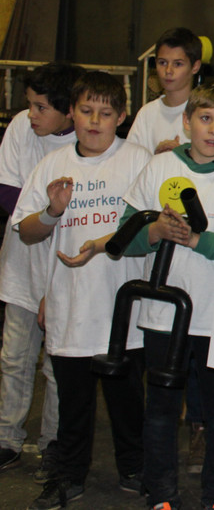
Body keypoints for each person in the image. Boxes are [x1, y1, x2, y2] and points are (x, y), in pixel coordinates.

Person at [15, 72, 151, 509]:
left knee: (128, 400)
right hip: (70, 307)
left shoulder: (138, 160)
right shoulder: (52, 165)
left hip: (125, 309)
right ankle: (69, 475)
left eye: (105, 113)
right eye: (86, 111)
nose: (94, 121)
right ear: (71, 113)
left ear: (121, 117)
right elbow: (26, 231)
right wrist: (52, 212)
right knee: (72, 405)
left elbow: (153, 228)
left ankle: (136, 468)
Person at [120, 81, 214, 510]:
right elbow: (126, 236)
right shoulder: (159, 167)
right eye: (205, 118)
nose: (213, 130)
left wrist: (196, 240)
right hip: (164, 314)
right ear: (187, 122)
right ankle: (161, 494)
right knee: (161, 409)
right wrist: (155, 231)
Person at [0, 63, 81, 482]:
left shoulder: (83, 143)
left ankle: (52, 443)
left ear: (68, 112)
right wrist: (45, 212)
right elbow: (8, 195)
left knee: (55, 365)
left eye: (41, 107)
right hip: (22, 260)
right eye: (30, 104)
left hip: (63, 265)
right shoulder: (20, 127)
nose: (31, 114)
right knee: (14, 357)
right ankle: (6, 437)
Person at [128, 27, 203, 154]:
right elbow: (131, 161)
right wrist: (158, 159)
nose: (168, 71)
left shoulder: (209, 113)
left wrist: (184, 157)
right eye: (162, 63)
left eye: (177, 64)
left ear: (195, 66)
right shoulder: (146, 114)